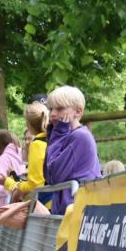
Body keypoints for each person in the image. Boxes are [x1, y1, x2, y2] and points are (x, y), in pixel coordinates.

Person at [43, 85, 102, 216]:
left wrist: (57, 133)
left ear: (78, 111)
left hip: (77, 213)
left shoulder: (80, 136)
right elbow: (48, 176)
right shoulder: (65, 135)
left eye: (60, 108)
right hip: (66, 211)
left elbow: (55, 174)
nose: (52, 113)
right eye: (51, 108)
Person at [0, 130, 25, 209]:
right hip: (21, 201)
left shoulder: (4, 158)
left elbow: (1, 184)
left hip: (7, 206)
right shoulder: (21, 155)